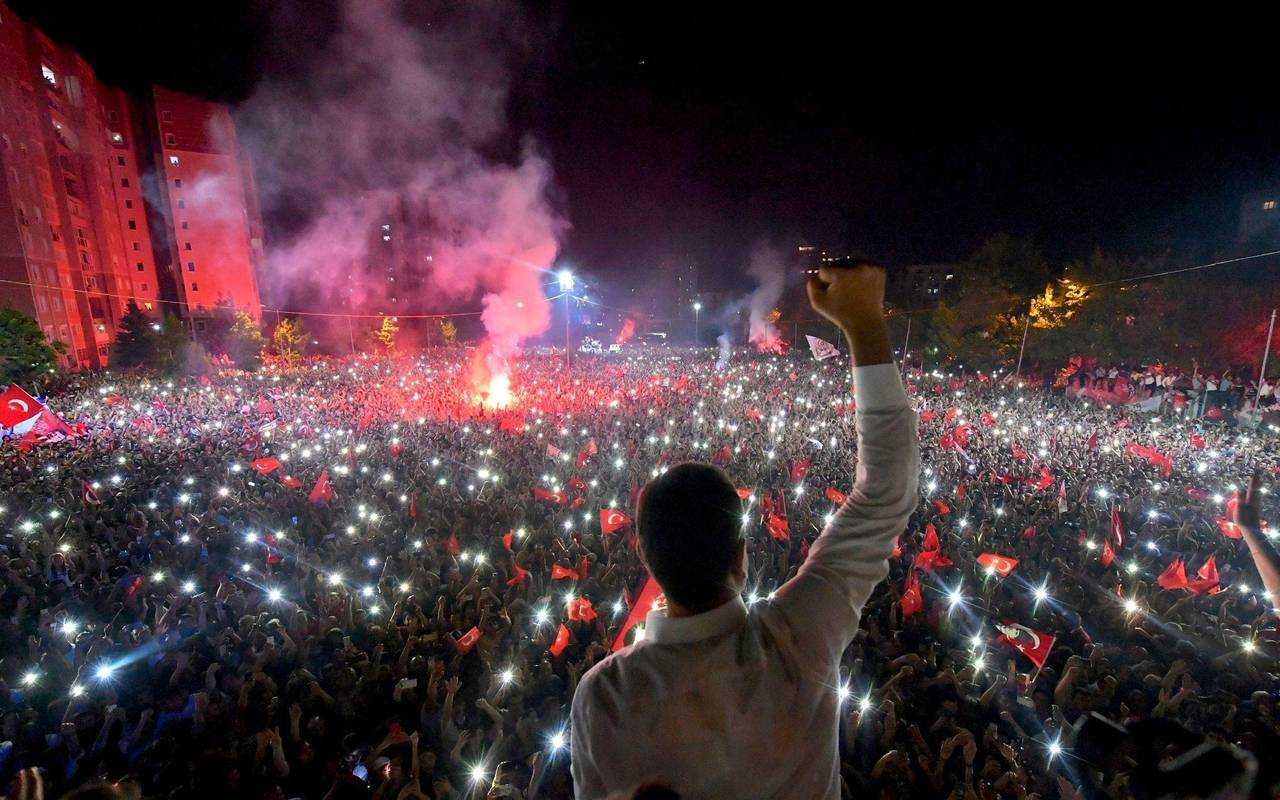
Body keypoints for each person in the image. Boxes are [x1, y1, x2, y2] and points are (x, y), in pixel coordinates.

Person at [569, 261, 919, 798]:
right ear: (742, 554)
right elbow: (886, 493)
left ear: (646, 558)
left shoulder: (604, 697)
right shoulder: (797, 639)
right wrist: (864, 323)